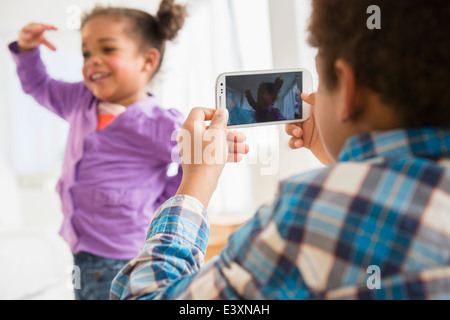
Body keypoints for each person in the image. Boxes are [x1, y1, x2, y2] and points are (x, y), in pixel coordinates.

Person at [111, 0, 450, 299]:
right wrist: (339, 161)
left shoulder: (308, 213)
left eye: (320, 80)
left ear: (349, 91)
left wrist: (196, 182)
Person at [9, 0, 187, 300]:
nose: (92, 60)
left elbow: (193, 162)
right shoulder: (81, 99)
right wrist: (27, 52)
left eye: (107, 50)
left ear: (147, 61)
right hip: (81, 252)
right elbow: (40, 85)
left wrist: (160, 203)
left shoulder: (158, 123)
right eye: (86, 52)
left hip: (125, 255)